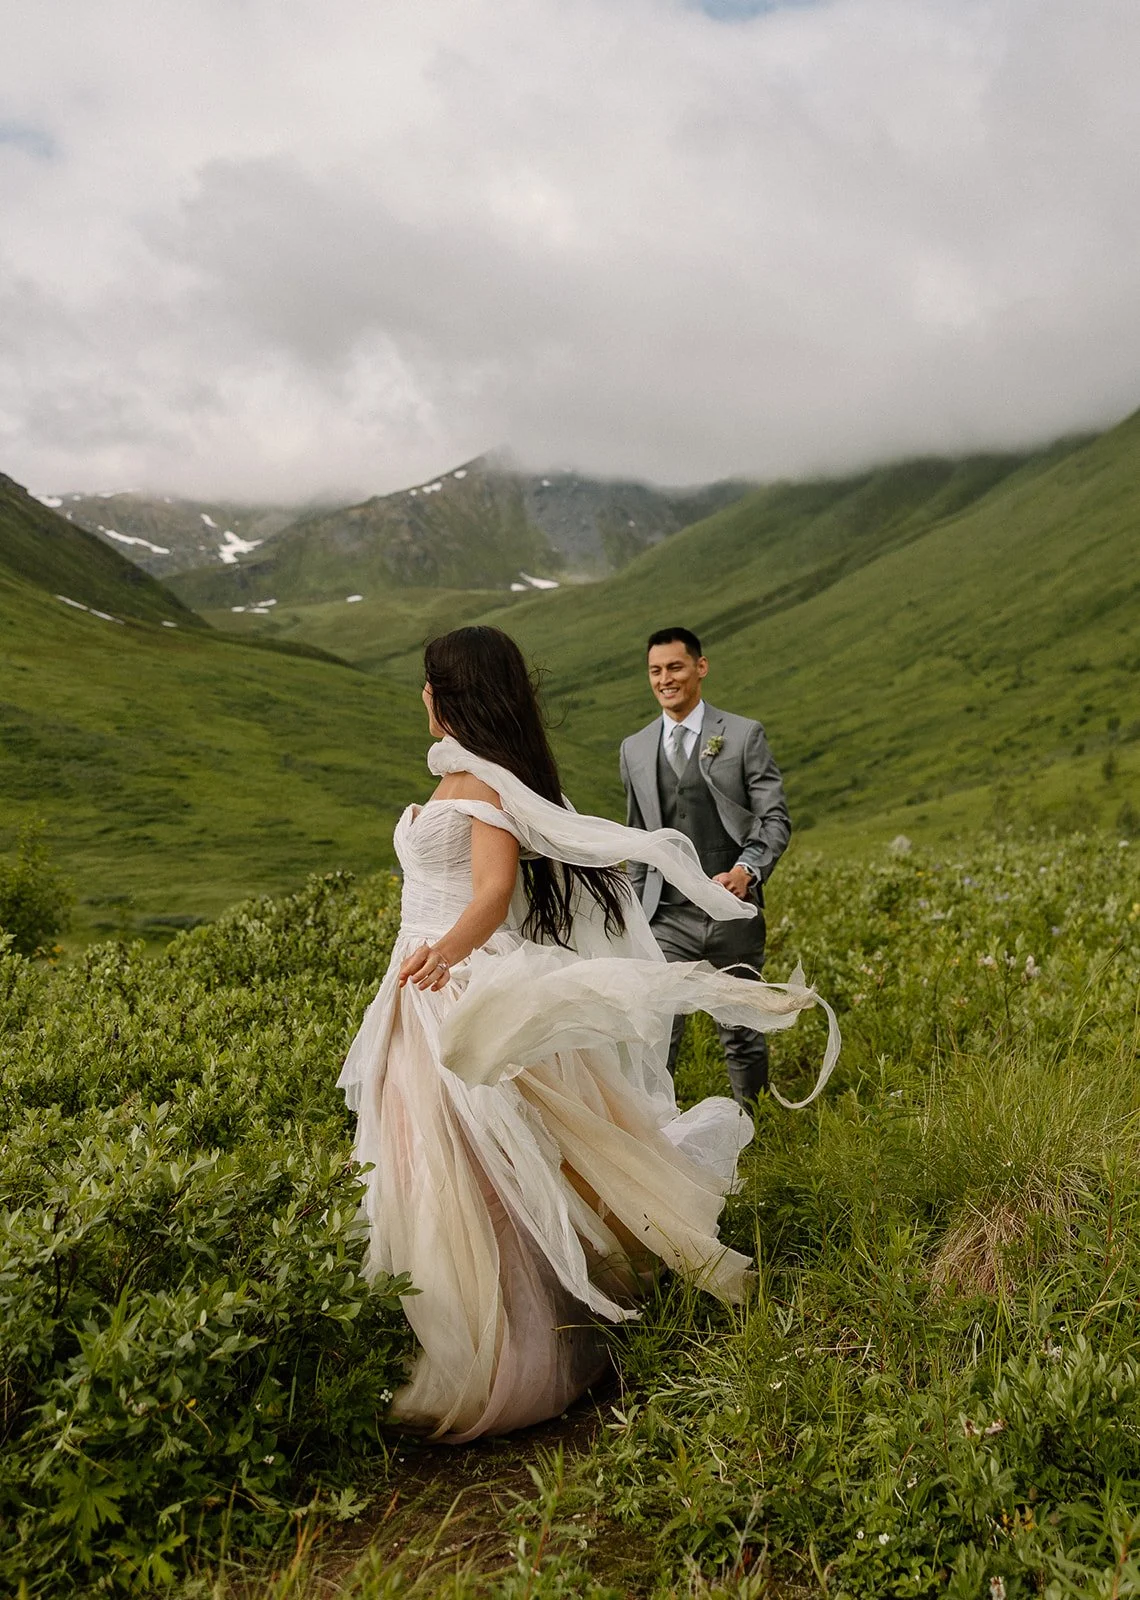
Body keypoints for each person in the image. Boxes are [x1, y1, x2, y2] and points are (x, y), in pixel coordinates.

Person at [338, 626, 835, 1442]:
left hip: (450, 981)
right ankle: (454, 1330)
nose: (421, 698)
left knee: (476, 1164)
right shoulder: (463, 775)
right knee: (429, 1157)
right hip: (420, 978)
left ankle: (509, 1352)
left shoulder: (489, 786)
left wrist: (446, 954)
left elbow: (495, 891)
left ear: (451, 694)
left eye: (429, 684)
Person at [619, 627, 791, 1107]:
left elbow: (774, 819)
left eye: (675, 667)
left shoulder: (741, 734)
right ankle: (658, 1139)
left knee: (741, 1030)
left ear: (701, 667)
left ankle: (759, 1136)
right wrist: (634, 910)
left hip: (730, 911)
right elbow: (639, 837)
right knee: (658, 1032)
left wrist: (747, 871)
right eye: (655, 670)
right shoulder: (634, 749)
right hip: (665, 916)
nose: (665, 679)